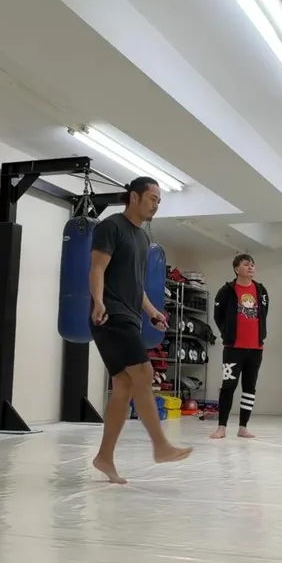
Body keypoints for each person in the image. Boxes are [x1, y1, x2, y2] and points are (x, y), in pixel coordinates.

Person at [89, 176, 192, 484]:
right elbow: (97, 268)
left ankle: (104, 457)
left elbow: (136, 285)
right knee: (144, 373)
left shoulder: (143, 239)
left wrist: (152, 312)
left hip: (130, 315)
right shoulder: (111, 227)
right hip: (111, 314)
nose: (156, 205)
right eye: (152, 198)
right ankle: (160, 445)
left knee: (123, 384)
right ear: (134, 197)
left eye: (159, 200)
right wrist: (98, 301)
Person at [210, 254, 270, 439]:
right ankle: (221, 427)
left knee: (249, 388)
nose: (251, 267)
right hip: (233, 349)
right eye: (246, 264)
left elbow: (264, 313)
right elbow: (218, 315)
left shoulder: (261, 290)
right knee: (228, 386)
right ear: (237, 269)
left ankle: (243, 427)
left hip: (255, 349)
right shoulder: (226, 291)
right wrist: (227, 333)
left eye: (253, 264)